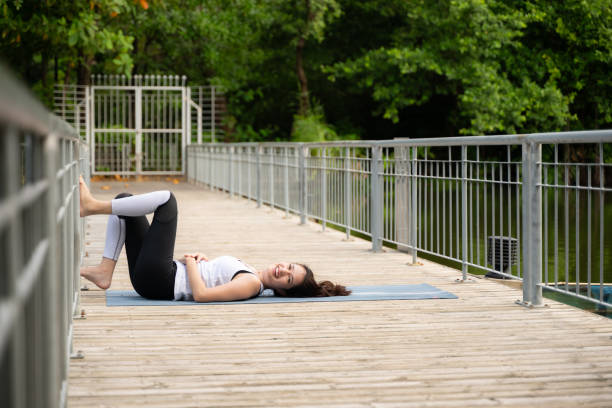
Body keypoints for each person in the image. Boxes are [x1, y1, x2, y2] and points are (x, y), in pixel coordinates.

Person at [78, 177, 351, 302]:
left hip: (161, 280)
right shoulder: (251, 272)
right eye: (289, 266)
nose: (282, 270)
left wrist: (192, 266)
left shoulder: (251, 283)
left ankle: (90, 206)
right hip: (159, 278)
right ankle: (105, 271)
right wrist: (200, 260)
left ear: (281, 291)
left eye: (287, 279)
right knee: (125, 203)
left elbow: (202, 294)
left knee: (167, 201)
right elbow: (212, 278)